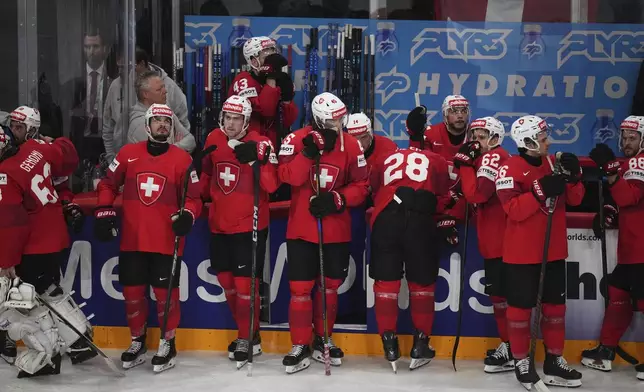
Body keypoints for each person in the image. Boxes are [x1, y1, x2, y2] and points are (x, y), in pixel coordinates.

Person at [95, 104, 202, 373]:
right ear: (147, 125)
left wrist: (188, 215)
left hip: (167, 241)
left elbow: (193, 198)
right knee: (132, 294)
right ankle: (137, 341)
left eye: (167, 121)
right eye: (157, 121)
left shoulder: (182, 160)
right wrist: (105, 209)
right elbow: (107, 183)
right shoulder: (128, 154)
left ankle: (168, 343)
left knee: (166, 296)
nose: (163, 125)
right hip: (132, 239)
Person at [277, 92, 369, 373]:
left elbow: (362, 186)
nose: (338, 126)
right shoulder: (296, 139)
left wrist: (338, 199)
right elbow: (286, 177)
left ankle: (323, 338)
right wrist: (308, 153)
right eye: (332, 121)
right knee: (300, 290)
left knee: (329, 288)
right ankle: (300, 342)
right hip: (302, 230)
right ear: (318, 120)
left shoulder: (352, 145)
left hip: (335, 230)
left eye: (341, 120)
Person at [495, 115, 584, 389]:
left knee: (555, 309)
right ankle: (522, 360)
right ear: (529, 142)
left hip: (554, 250)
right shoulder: (508, 169)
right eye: (543, 139)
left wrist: (574, 177)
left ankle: (554, 360)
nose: (548, 142)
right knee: (520, 311)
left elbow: (577, 199)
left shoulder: (552, 164)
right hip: (522, 253)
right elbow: (514, 210)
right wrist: (539, 191)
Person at [0, 121, 95, 377]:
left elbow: (11, 224)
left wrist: (6, 260)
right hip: (53, 235)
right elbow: (68, 155)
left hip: (33, 242)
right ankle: (79, 339)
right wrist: (54, 141)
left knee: (26, 302)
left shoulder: (5, 174)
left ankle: (47, 355)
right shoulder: (36, 149)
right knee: (49, 291)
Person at [200, 95, 279, 367]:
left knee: (247, 287)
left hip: (250, 225)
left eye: (236, 119)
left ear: (246, 121)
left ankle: (247, 336)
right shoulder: (213, 138)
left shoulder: (263, 143)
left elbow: (272, 185)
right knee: (228, 285)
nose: (230, 124)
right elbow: (207, 174)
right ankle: (249, 332)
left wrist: (257, 161)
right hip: (219, 224)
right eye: (227, 118)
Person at [369, 142, 450, 372]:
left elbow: (374, 188)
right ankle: (420, 346)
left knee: (386, 284)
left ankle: (389, 344)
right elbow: (443, 193)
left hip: (386, 217)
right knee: (422, 285)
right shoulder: (436, 159)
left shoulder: (384, 156)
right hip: (420, 219)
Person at [582, 115, 644, 381]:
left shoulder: (639, 162)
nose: (627, 142)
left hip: (640, 248)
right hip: (631, 248)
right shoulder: (630, 163)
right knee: (618, 291)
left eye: (633, 138)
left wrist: (609, 172)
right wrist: (608, 209)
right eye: (625, 137)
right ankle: (606, 352)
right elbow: (624, 200)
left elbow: (630, 197)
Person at [453, 117, 513, 373]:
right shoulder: (492, 157)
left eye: (480, 137)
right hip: (497, 240)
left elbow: (477, 194)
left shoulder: (494, 158)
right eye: (473, 136)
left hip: (502, 241)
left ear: (495, 138)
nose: (475, 142)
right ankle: (510, 346)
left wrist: (465, 167)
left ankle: (511, 348)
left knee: (504, 298)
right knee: (500, 298)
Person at [103, 47, 190, 162]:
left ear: (142, 65)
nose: (121, 72)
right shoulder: (115, 86)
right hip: (124, 163)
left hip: (162, 163)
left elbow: (184, 127)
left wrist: (171, 156)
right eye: (119, 67)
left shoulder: (169, 87)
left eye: (126, 67)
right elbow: (108, 126)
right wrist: (111, 158)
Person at [406, 97, 469, 245]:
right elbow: (419, 160)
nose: (460, 115)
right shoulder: (430, 134)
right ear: (445, 114)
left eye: (464, 111)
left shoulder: (476, 135)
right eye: (454, 111)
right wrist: (415, 135)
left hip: (463, 197)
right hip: (436, 195)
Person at [232, 36, 298, 147]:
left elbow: (288, 121)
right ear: (254, 61)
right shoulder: (243, 80)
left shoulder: (279, 80)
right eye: (266, 54)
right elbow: (266, 111)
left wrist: (287, 100)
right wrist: (271, 78)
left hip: (273, 144)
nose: (271, 57)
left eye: (273, 51)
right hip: (249, 145)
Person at [127, 71, 196, 153]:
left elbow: (191, 141)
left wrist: (174, 146)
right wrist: (177, 147)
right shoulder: (139, 123)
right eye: (159, 89)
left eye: (164, 87)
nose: (165, 91)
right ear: (145, 94)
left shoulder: (166, 112)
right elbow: (159, 157)